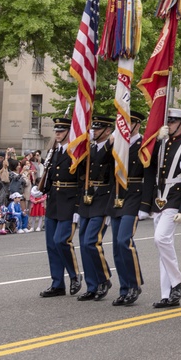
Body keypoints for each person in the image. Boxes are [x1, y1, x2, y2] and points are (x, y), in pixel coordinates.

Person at [149, 109, 181, 309]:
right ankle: (167, 294)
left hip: (174, 197)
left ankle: (177, 282)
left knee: (161, 239)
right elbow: (149, 168)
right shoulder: (160, 144)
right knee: (163, 246)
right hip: (159, 196)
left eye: (173, 121)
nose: (169, 124)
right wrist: (153, 142)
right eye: (167, 121)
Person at [110, 111, 150, 307]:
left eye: (128, 124)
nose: (123, 127)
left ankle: (134, 284)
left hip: (135, 195)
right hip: (118, 195)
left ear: (137, 125)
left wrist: (145, 204)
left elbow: (149, 176)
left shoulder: (144, 145)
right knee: (116, 247)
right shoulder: (118, 145)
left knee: (124, 240)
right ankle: (124, 288)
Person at [39, 116, 82, 298]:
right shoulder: (54, 151)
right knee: (51, 244)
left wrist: (78, 208)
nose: (57, 134)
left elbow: (81, 181)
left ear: (69, 133)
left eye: (61, 131)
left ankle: (74, 275)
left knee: (61, 241)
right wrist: (40, 187)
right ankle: (57, 283)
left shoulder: (76, 153)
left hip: (70, 201)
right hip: (54, 200)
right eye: (56, 131)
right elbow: (51, 175)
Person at [75, 115, 115, 301]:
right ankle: (92, 285)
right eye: (94, 128)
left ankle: (104, 278)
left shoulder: (113, 147)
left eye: (98, 129)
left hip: (103, 199)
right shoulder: (88, 148)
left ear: (108, 131)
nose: (94, 132)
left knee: (92, 241)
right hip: (87, 198)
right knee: (83, 243)